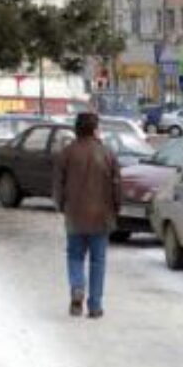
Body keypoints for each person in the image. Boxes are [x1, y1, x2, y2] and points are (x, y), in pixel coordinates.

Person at [53, 111, 122, 320]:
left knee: (74, 256)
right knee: (98, 262)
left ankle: (77, 288)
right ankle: (95, 306)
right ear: (94, 129)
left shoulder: (66, 153)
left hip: (74, 215)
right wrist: (116, 208)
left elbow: (58, 185)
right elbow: (117, 186)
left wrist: (61, 206)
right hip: (101, 217)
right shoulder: (108, 153)